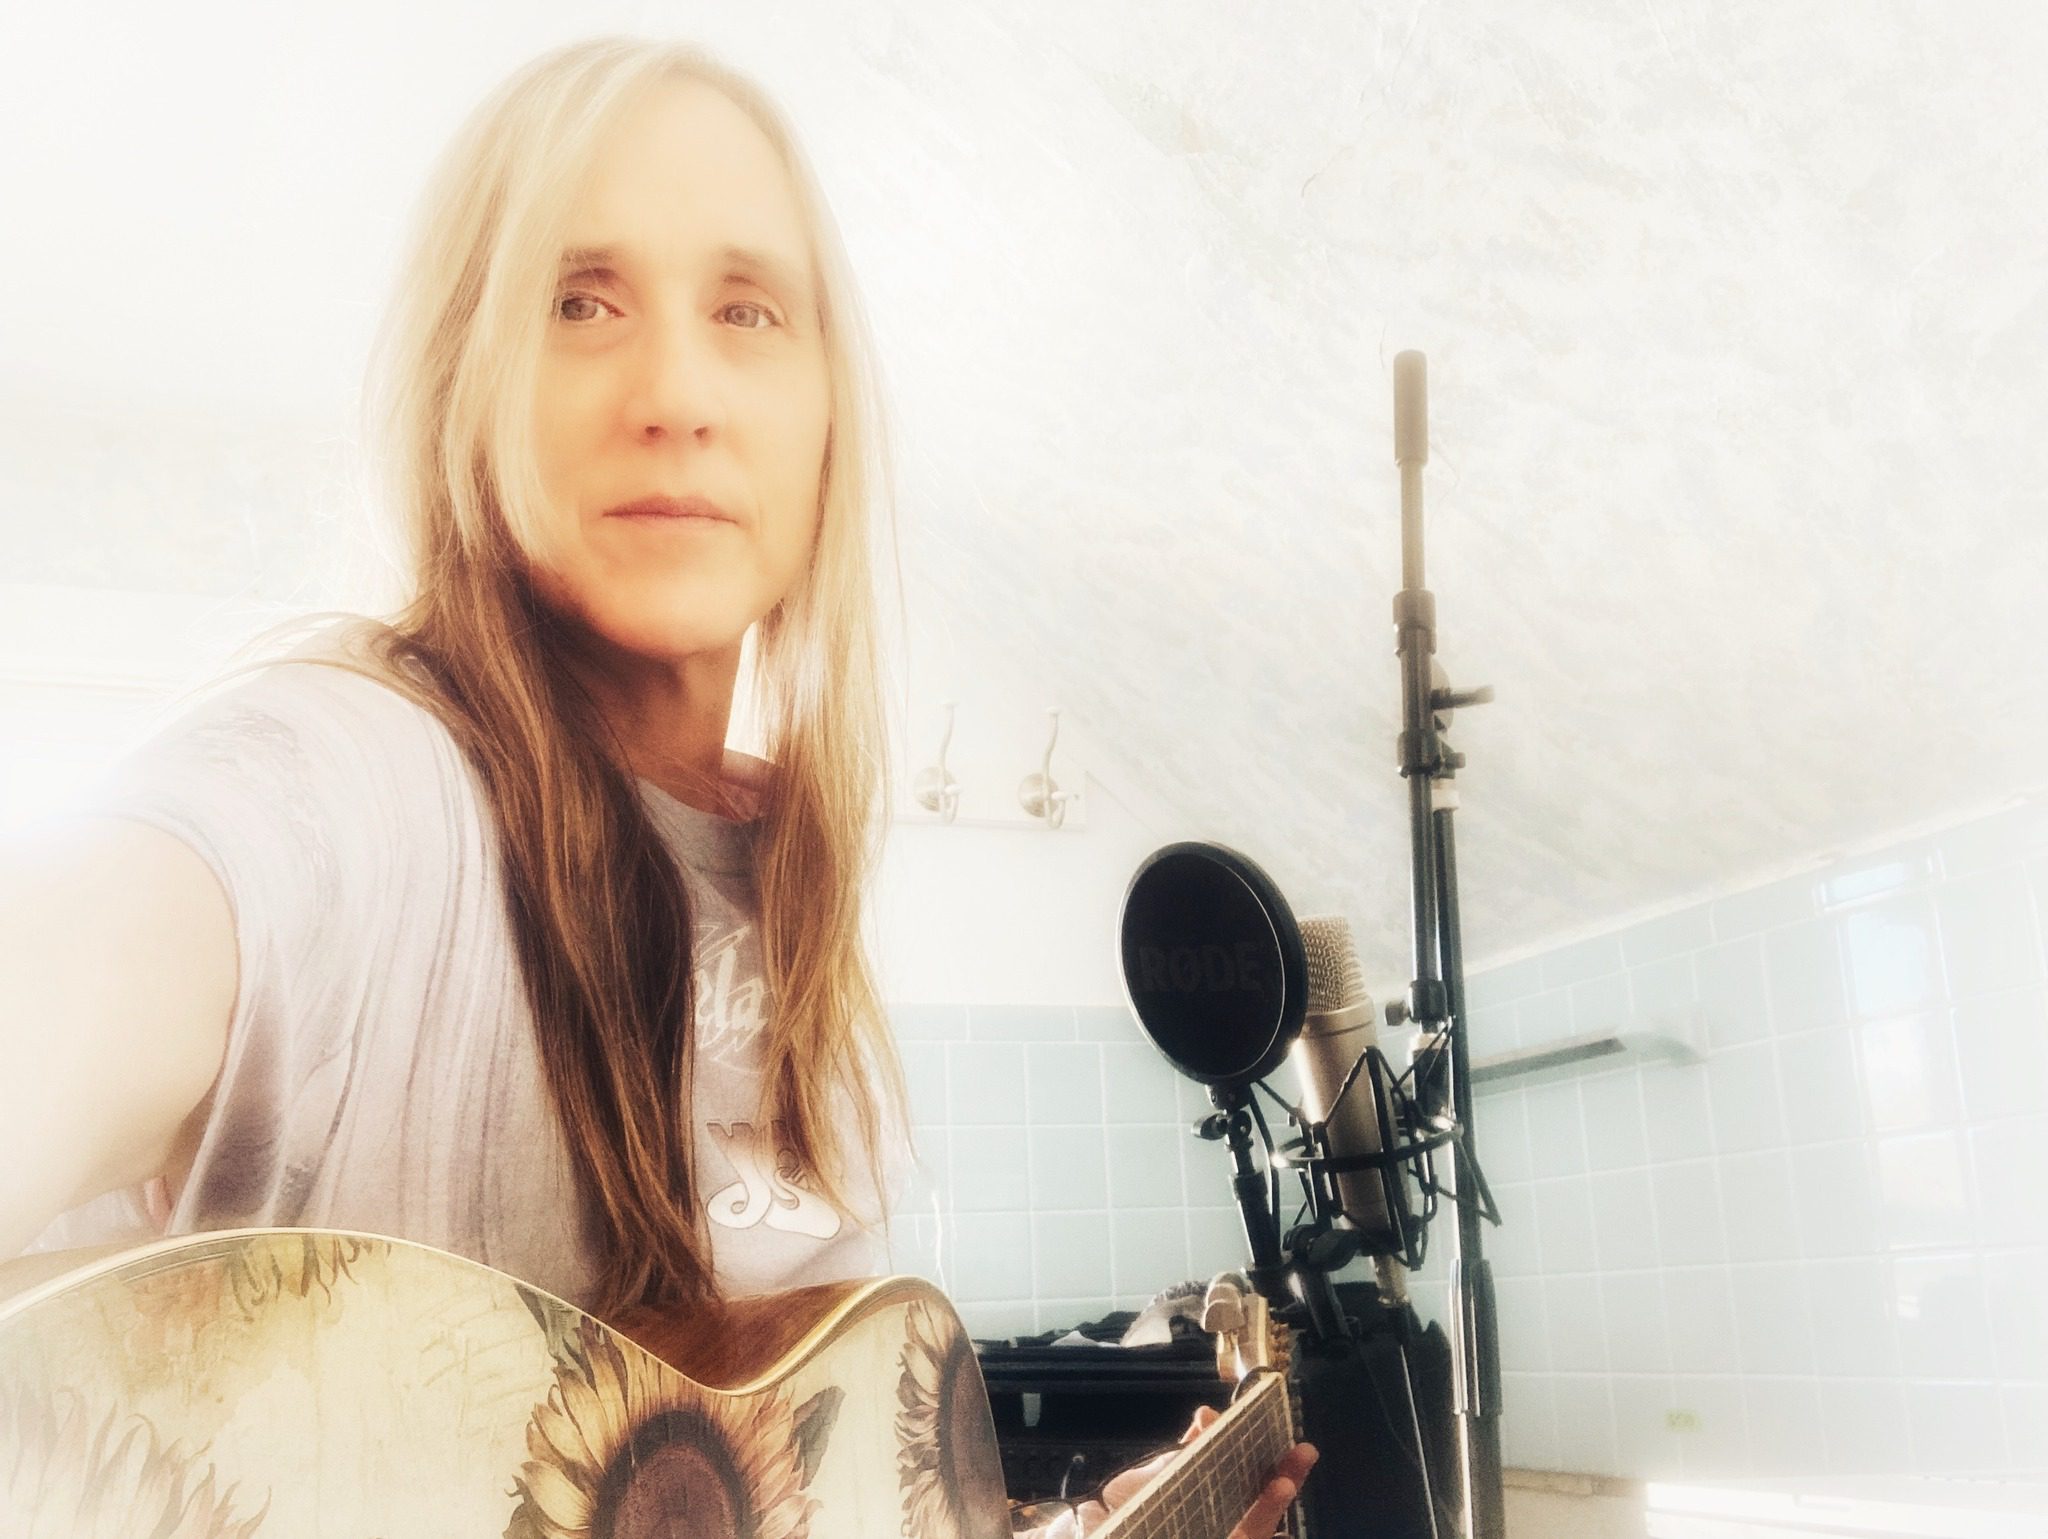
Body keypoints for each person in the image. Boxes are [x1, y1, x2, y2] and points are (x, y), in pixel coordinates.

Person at [0, 36, 1313, 1536]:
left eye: (747, 310)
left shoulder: (793, 892)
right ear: (463, 385)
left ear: (829, 420)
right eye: (580, 302)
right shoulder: (351, 785)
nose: (677, 392)